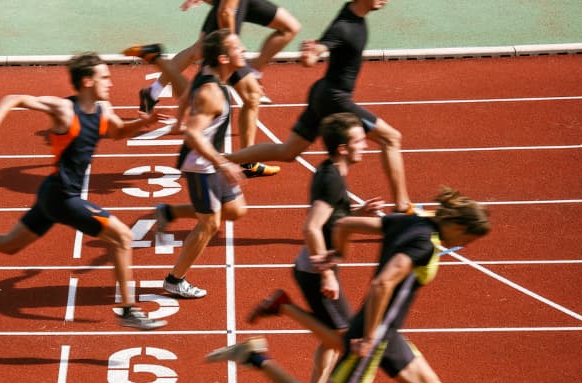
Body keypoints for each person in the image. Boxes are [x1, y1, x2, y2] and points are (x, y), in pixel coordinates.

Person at [207, 188, 514, 383]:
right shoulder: (423, 244)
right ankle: (257, 357)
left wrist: (337, 254)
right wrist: (367, 337)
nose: (463, 245)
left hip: (387, 334)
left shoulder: (411, 223)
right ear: (460, 227)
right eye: (468, 240)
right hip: (374, 336)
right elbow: (383, 283)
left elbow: (345, 226)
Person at [0, 52, 166, 330]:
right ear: (88, 81)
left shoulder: (103, 109)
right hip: (64, 197)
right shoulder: (64, 110)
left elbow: (116, 132)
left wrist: (143, 124)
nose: (110, 82)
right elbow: (15, 98)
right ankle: (128, 309)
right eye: (105, 77)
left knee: (9, 245)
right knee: (123, 237)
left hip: (51, 193)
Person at [248, 112, 382, 383]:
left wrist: (358, 211)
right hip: (315, 270)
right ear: (342, 148)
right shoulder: (333, 178)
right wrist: (325, 274)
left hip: (314, 265)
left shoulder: (331, 170)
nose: (365, 145)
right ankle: (284, 307)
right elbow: (311, 227)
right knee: (345, 342)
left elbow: (332, 216)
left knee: (332, 340)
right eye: (359, 141)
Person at [226, 0, 411, 213]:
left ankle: (222, 160)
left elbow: (322, 46)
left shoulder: (351, 13)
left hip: (322, 94)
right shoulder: (343, 26)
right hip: (335, 99)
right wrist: (310, 55)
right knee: (391, 138)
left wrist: (312, 54)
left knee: (288, 151)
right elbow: (319, 51)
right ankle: (402, 207)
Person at [124, 31, 248, 300]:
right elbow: (193, 135)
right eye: (240, 48)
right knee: (209, 225)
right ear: (224, 58)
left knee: (236, 210)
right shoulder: (212, 93)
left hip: (213, 160)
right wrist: (222, 163)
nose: (245, 51)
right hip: (201, 165)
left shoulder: (211, 77)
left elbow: (185, 92)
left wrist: (180, 119)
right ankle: (174, 280)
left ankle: (169, 211)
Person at [129, 0, 301, 178]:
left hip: (240, 8)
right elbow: (225, 12)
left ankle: (154, 84)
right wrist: (232, 48)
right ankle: (245, 161)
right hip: (227, 22)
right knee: (237, 92)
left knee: (200, 56)